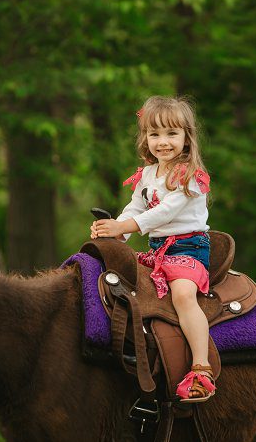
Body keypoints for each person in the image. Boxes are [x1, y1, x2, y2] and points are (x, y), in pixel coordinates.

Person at [90, 95, 217, 403]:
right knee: (114, 282)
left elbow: (164, 213)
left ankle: (202, 367)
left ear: (187, 138)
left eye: (171, 134)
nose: (163, 141)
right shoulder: (147, 175)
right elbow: (135, 207)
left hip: (188, 248)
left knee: (183, 295)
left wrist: (124, 228)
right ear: (145, 138)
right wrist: (115, 233)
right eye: (155, 134)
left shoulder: (189, 177)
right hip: (156, 250)